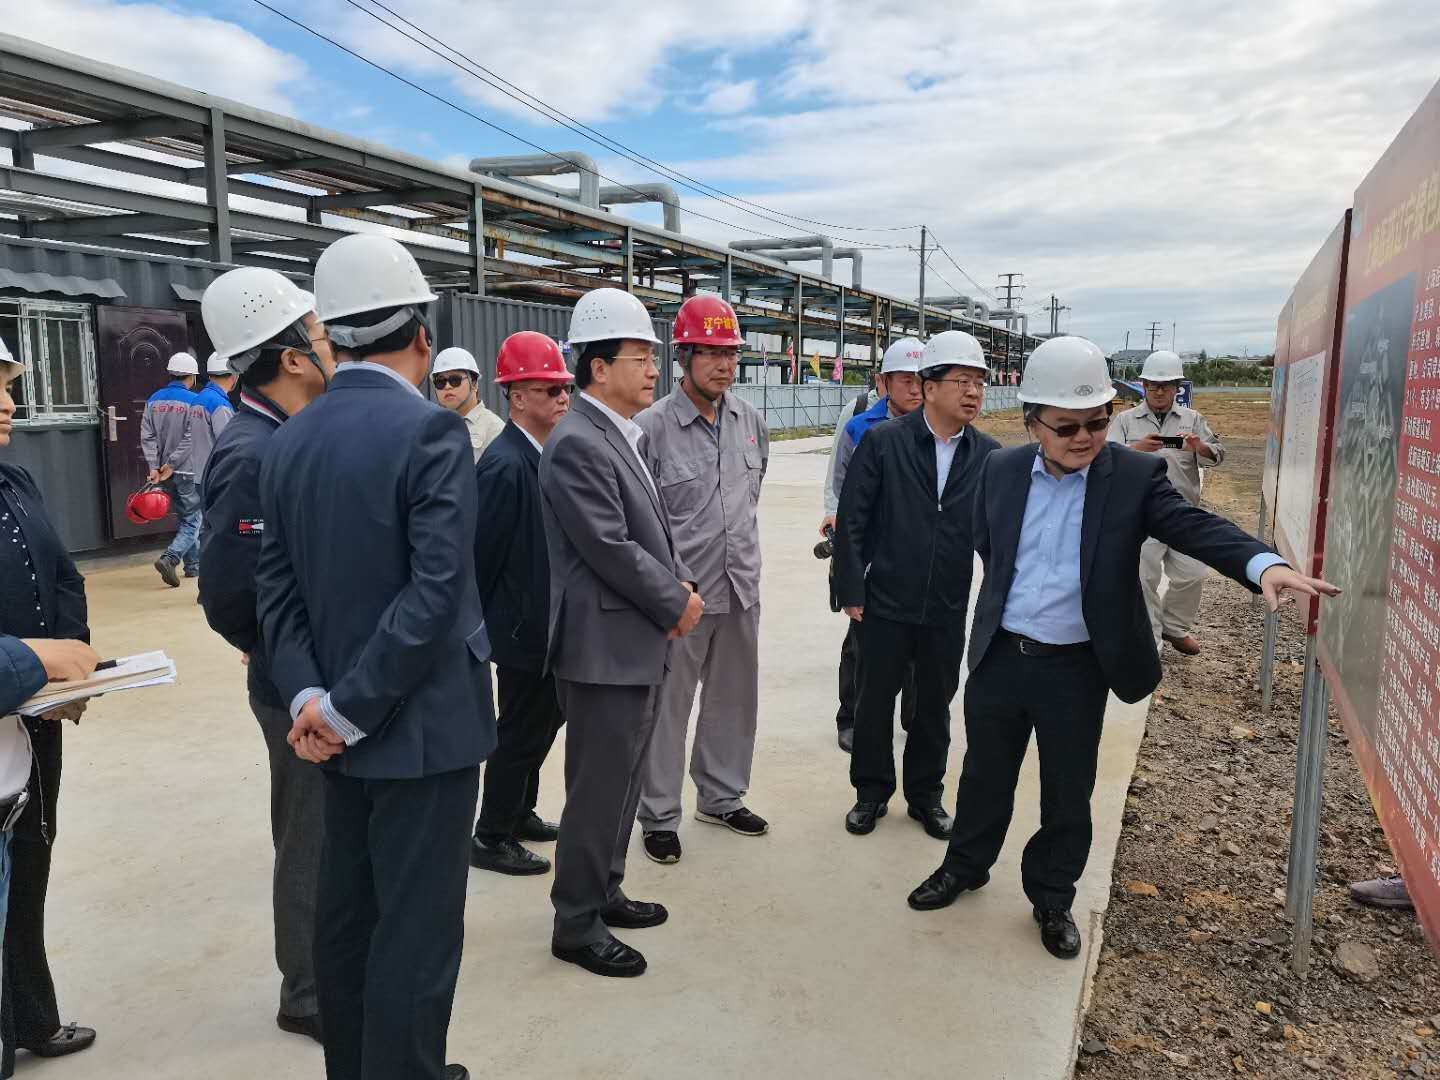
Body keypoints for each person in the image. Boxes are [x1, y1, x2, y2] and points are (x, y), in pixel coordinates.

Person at [906, 336, 1339, 960]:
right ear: (1033, 422)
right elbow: (987, 542)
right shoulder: (1002, 470)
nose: (1085, 437)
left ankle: (1052, 896)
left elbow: (1193, 525)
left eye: (1097, 421)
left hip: (1076, 667)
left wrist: (1261, 564)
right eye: (1067, 426)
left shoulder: (1132, 477)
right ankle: (965, 867)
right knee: (983, 775)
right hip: (1002, 657)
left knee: (1067, 791)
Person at [256, 233, 494, 1080]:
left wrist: (311, 701)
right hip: (420, 731)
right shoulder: (432, 431)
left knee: (348, 917)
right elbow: (434, 596)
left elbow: (276, 595)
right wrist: (347, 708)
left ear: (335, 337)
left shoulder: (290, 439)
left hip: (331, 733)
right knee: (417, 935)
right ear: (422, 334)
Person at [540, 287, 702, 979]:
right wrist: (675, 602)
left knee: (625, 780)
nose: (654, 370)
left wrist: (678, 586)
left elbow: (651, 534)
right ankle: (575, 922)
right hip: (603, 649)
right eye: (641, 358)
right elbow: (609, 547)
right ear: (598, 367)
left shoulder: (618, 433)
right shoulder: (578, 442)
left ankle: (604, 890)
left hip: (633, 641)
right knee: (598, 789)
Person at [197, 267, 335, 1044]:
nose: (329, 347)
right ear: (288, 358)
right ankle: (307, 992)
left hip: (311, 674)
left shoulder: (285, 436)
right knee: (309, 836)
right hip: (291, 686)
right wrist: (278, 655)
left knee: (327, 829)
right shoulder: (253, 452)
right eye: (317, 336)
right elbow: (227, 594)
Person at [833, 330, 999, 841]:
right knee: (873, 702)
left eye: (979, 382)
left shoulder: (988, 455)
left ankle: (926, 796)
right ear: (929, 387)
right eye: (962, 381)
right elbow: (852, 519)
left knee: (933, 707)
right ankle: (871, 793)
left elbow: (996, 537)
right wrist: (850, 589)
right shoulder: (885, 442)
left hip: (946, 603)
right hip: (884, 599)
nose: (973, 392)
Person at [634, 294, 770, 865]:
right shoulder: (649, 429)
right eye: (711, 353)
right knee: (667, 708)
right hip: (680, 599)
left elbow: (749, 500)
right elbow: (638, 521)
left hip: (740, 588)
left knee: (734, 701)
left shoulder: (750, 422)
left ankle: (721, 797)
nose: (724, 365)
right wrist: (665, 591)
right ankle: (659, 814)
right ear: (683, 356)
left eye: (731, 354)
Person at [0, 342, 99, 1078]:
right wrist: (34, 661)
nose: (7, 403)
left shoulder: (16, 479)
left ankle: (31, 1016)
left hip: (31, 716)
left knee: (30, 858)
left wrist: (74, 660)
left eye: (8, 387)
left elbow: (61, 572)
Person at [469, 332, 573, 877]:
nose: (563, 397)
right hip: (520, 630)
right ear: (516, 395)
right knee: (518, 732)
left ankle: (519, 811)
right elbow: (481, 557)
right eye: (550, 389)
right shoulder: (505, 465)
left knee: (541, 725)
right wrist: (493, 627)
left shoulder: (539, 454)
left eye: (564, 388)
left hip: (544, 624)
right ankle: (491, 835)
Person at [828, 339, 924, 753]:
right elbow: (841, 486)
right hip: (872, 553)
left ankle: (915, 717)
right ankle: (851, 718)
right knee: (861, 641)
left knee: (920, 642)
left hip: (919, 552)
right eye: (905, 380)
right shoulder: (859, 427)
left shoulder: (939, 429)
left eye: (921, 379)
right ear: (883, 382)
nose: (915, 388)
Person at [1107, 350, 1224, 655]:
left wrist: (1200, 447)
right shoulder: (1125, 420)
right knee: (1143, 579)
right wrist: (1136, 448)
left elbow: (1217, 455)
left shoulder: (1192, 419)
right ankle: (1150, 642)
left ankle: (1174, 627)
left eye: (1166, 386)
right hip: (1140, 515)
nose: (1159, 392)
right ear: (1143, 386)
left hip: (1182, 512)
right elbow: (1105, 459)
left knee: (1193, 573)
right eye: (1153, 385)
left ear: (1177, 388)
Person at [140, 352, 200, 588]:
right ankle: (170, 558)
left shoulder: (153, 400)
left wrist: (154, 467)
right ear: (192, 377)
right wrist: (173, 463)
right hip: (187, 470)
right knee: (194, 520)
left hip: (164, 473)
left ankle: (193, 566)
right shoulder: (194, 401)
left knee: (185, 518)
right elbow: (191, 438)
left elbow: (147, 436)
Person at [432, 346, 505, 463]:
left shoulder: (494, 429)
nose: (447, 386)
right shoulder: (432, 427)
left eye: (455, 380)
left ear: (474, 384)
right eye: (440, 382)